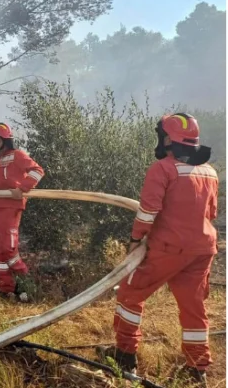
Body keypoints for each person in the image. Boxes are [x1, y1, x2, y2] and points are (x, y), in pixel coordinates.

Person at [97, 113, 218, 387]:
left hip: (168, 248)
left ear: (167, 139)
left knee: (130, 293)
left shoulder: (163, 168)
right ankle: (197, 369)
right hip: (202, 249)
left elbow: (148, 211)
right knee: (193, 307)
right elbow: (210, 212)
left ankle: (125, 355)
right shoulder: (210, 172)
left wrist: (136, 239)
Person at [0, 122, 44, 301]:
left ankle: (28, 285)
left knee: (8, 249)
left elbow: (38, 171)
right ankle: (7, 289)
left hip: (10, 209)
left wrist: (23, 188)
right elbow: (0, 185)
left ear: (1, 139)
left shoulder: (17, 156)